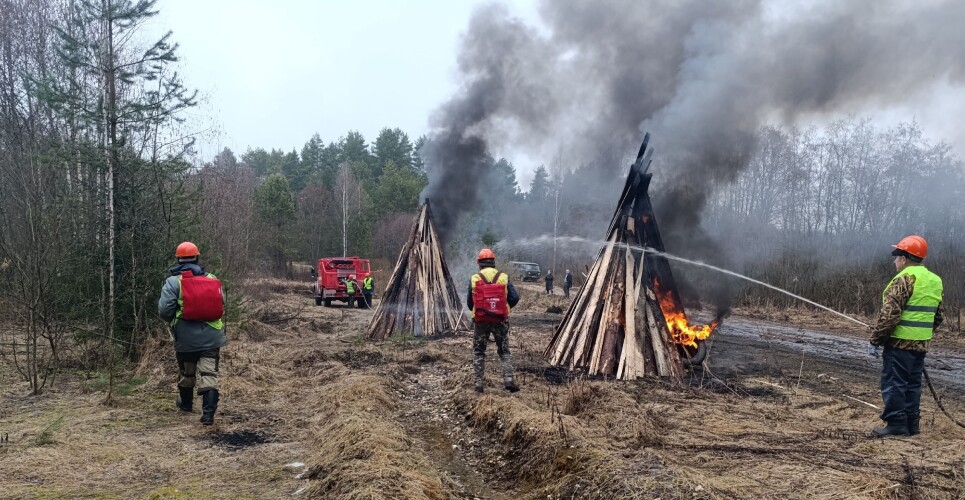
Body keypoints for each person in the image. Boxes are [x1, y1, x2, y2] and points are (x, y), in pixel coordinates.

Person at [870, 235, 944, 437]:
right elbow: (938, 316)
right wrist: (919, 334)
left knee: (895, 383)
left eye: (897, 257)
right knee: (912, 385)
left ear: (904, 258)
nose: (894, 261)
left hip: (899, 344)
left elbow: (889, 315)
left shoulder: (904, 278)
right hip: (920, 344)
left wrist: (876, 340)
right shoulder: (934, 280)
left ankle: (896, 424)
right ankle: (912, 425)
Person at [158, 242, 227, 426]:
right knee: (209, 373)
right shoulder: (212, 278)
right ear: (197, 257)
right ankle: (208, 414)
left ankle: (186, 405)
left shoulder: (173, 282)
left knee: (187, 373)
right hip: (212, 336)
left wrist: (175, 320)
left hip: (186, 338)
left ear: (178, 258)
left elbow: (164, 310)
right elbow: (222, 302)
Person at [467, 248, 520, 393]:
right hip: (500, 320)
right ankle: (508, 380)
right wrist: (505, 308)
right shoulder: (503, 277)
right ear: (493, 262)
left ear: (479, 263)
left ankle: (478, 383)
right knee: (504, 352)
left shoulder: (474, 278)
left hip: (481, 321)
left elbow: (470, 304)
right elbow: (515, 298)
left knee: (479, 352)